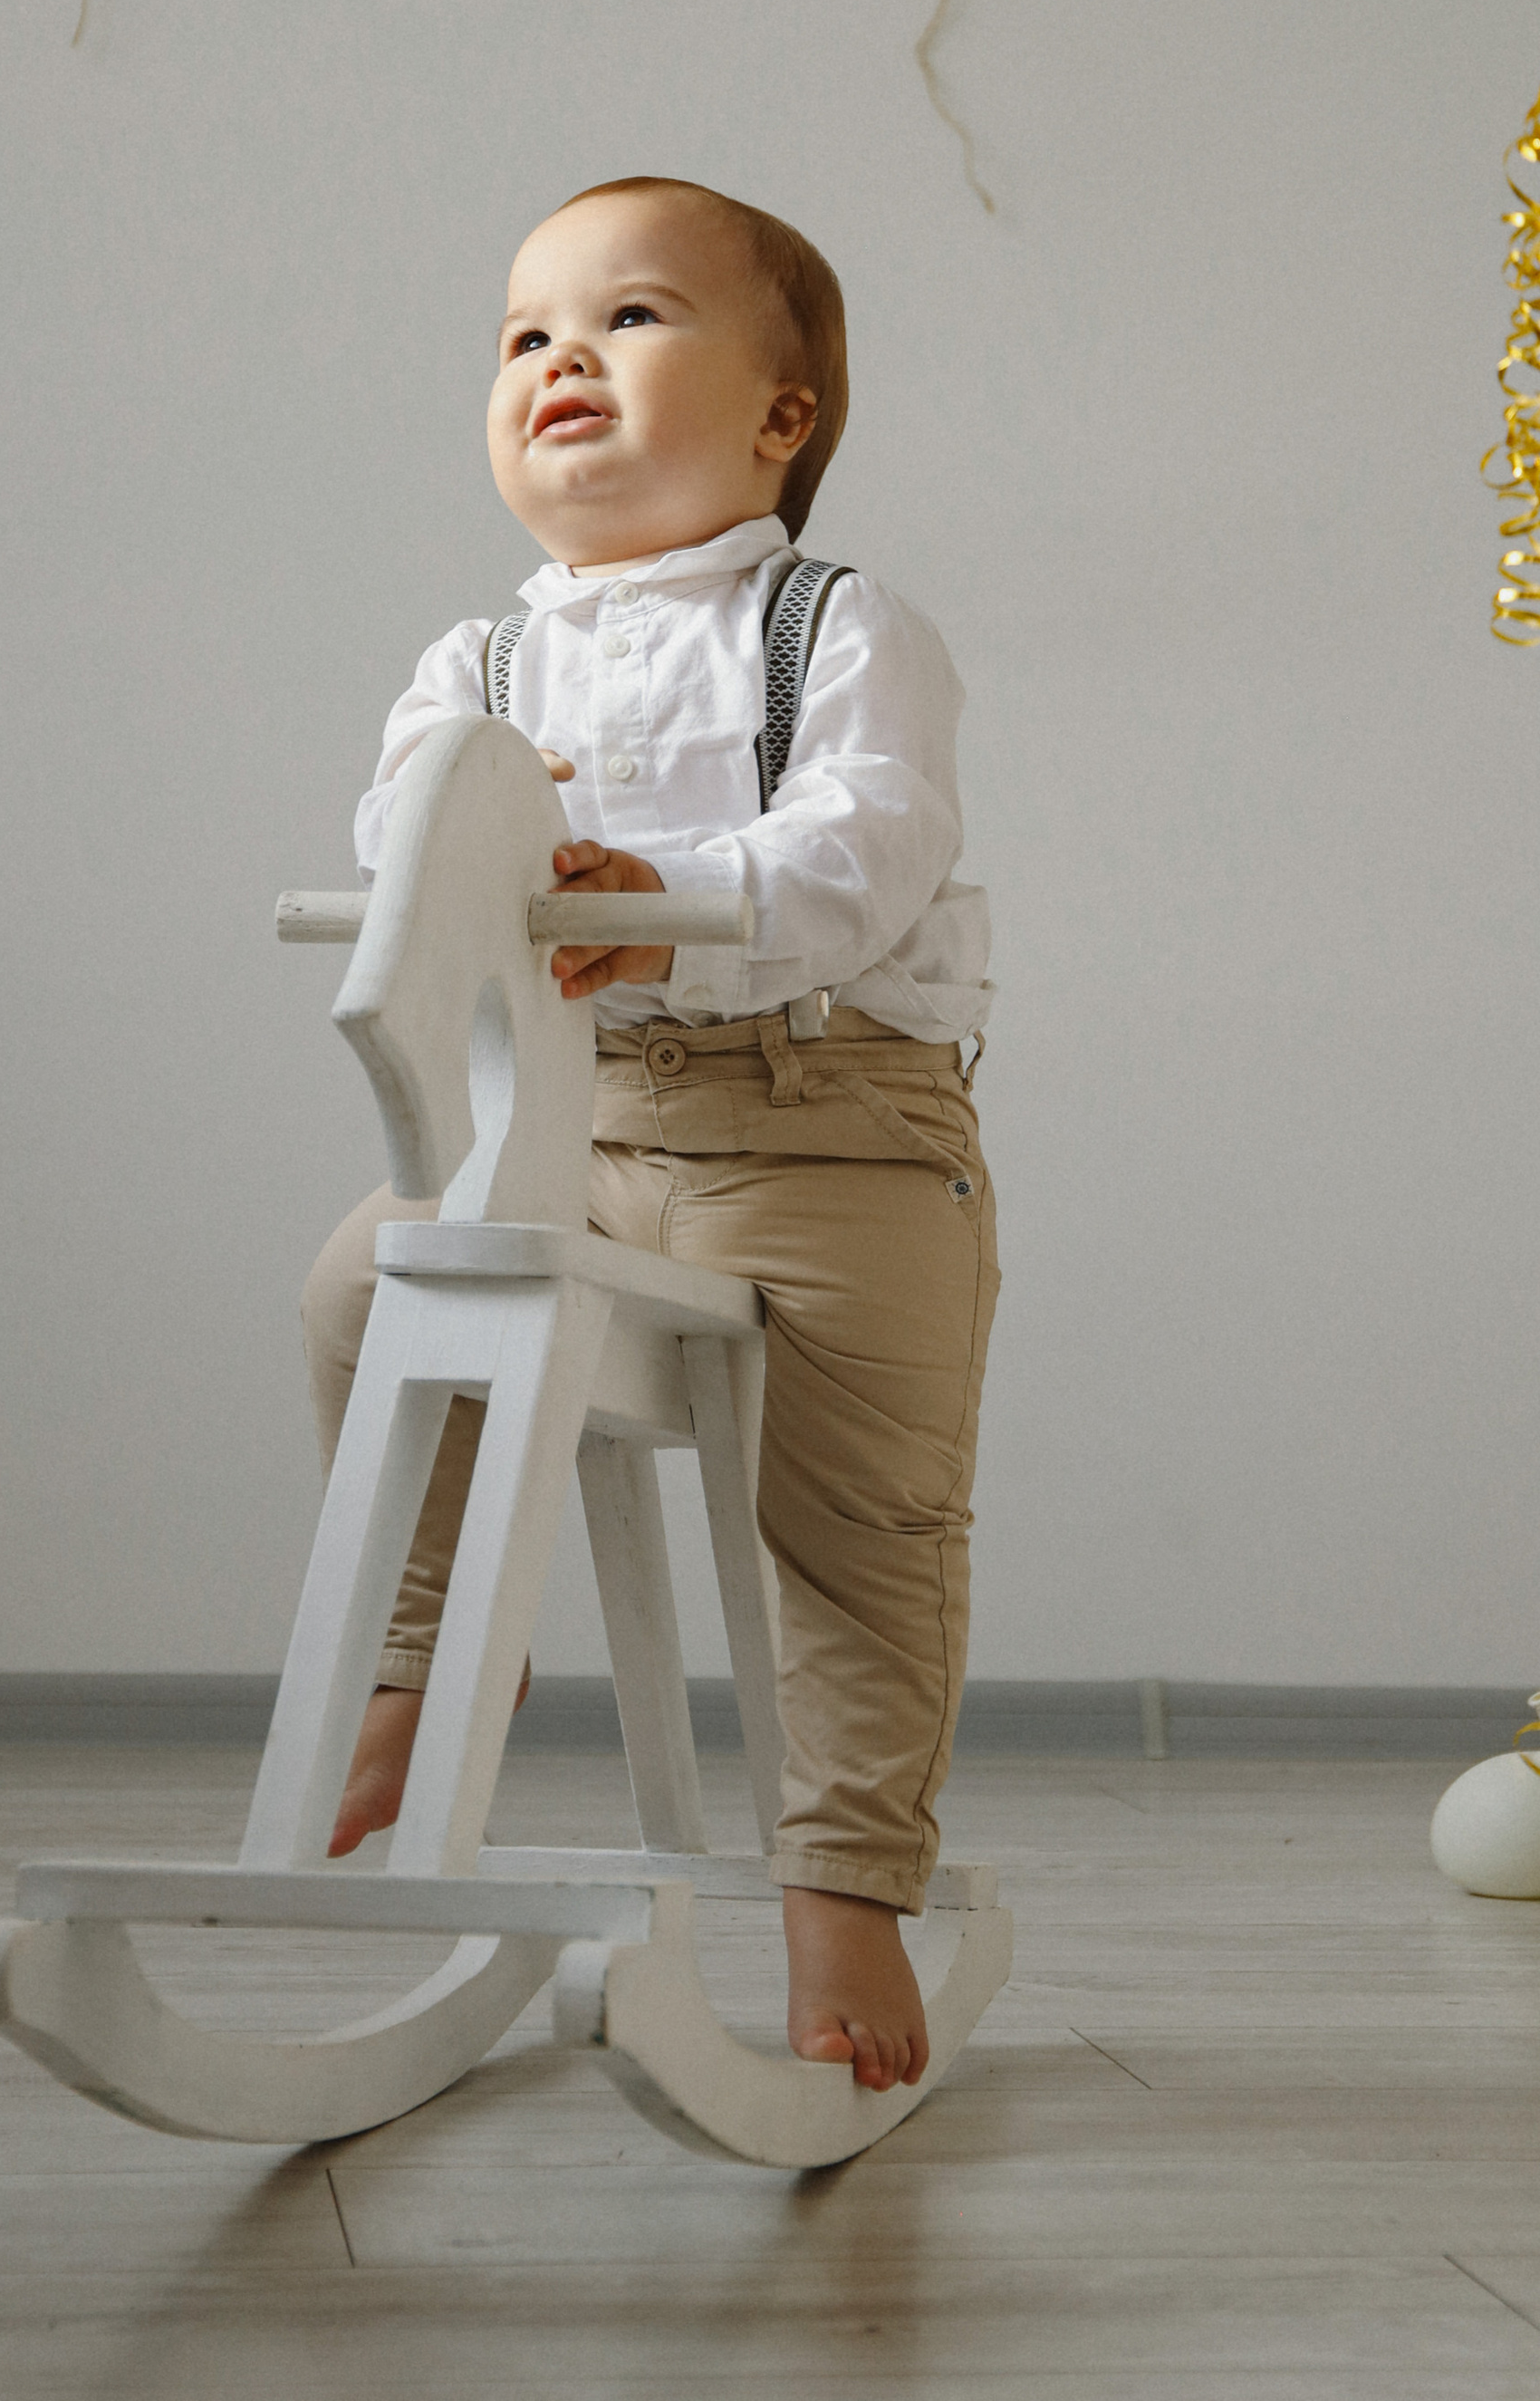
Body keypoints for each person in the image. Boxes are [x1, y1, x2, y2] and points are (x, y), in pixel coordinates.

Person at [301, 174, 996, 2093]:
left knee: (856, 1510)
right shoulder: (475, 672)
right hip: (583, 1121)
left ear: (780, 416)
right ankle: (432, 1655)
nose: (559, 362)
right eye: (524, 336)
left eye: (625, 320)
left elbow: (868, 845)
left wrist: (674, 881)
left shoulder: (837, 633)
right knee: (365, 1294)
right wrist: (460, 863)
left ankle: (843, 1874)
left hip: (830, 1126)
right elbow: (400, 842)